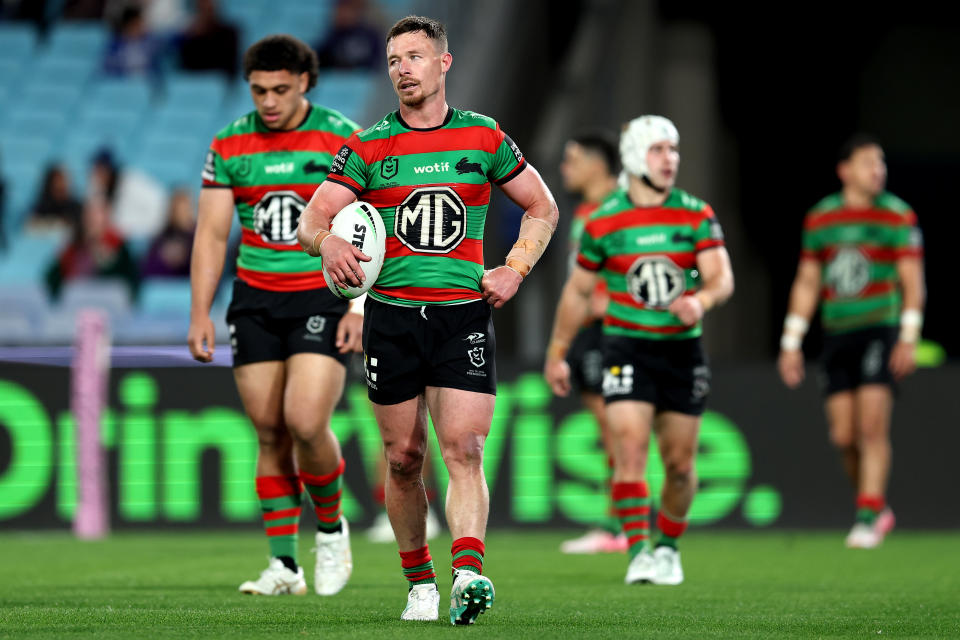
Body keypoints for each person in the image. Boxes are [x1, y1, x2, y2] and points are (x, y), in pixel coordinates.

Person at [296, 16, 559, 624]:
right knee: (402, 458)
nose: (402, 69)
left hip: (461, 315)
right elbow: (313, 221)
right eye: (393, 60)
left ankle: (468, 571)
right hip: (390, 318)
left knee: (464, 447)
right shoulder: (369, 145)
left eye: (415, 56)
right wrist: (328, 244)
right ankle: (420, 583)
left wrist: (515, 268)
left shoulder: (484, 137)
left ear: (444, 63)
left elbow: (542, 208)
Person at [188, 35, 363, 597]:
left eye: (281, 90)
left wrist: (360, 304)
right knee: (269, 432)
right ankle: (284, 566)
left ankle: (332, 533)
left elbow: (370, 226)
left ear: (305, 83)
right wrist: (201, 312)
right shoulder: (230, 142)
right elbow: (213, 233)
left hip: (322, 293)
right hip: (256, 300)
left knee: (306, 421)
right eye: (260, 90)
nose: (269, 100)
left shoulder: (342, 137)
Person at [544, 115, 734, 586]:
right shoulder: (605, 220)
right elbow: (577, 291)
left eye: (673, 150)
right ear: (633, 157)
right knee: (628, 448)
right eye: (658, 150)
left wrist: (701, 300)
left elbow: (721, 277)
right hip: (625, 346)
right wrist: (558, 350)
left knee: (681, 464)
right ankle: (637, 551)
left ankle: (668, 546)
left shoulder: (695, 213)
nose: (670, 159)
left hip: (680, 352)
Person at [778, 134, 924, 549]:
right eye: (867, 163)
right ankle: (875, 507)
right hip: (837, 333)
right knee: (844, 436)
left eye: (880, 163)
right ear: (845, 171)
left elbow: (912, 281)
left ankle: (867, 512)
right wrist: (792, 341)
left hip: (880, 328)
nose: (877, 170)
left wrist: (909, 336)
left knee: (871, 426)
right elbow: (808, 281)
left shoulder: (897, 217)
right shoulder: (821, 219)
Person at [554, 132, 627, 555]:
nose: (566, 168)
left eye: (573, 159)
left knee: (616, 429)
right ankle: (618, 522)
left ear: (598, 164)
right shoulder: (586, 211)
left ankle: (618, 525)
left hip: (612, 329)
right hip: (588, 330)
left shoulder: (621, 207)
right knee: (610, 430)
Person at [44, 194, 140, 301]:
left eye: (97, 213)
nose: (92, 218)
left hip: (106, 304)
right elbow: (51, 279)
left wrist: (107, 263)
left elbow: (129, 284)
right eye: (89, 213)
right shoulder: (73, 246)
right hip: (75, 305)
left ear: (107, 216)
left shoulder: (119, 246)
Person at [141, 187, 195, 277]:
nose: (182, 213)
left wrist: (186, 255)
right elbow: (148, 269)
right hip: (165, 284)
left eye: (185, 208)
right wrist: (164, 258)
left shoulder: (198, 237)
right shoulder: (161, 237)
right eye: (178, 208)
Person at [27, 164, 83, 231]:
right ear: (49, 186)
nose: (60, 186)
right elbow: (30, 224)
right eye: (56, 184)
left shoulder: (76, 207)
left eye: (63, 183)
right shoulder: (41, 207)